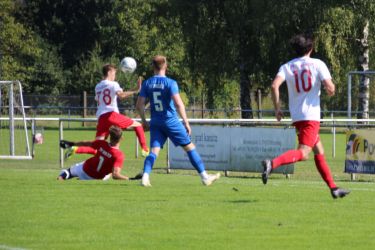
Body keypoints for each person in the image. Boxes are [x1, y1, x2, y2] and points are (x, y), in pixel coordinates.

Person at [262, 33, 350, 199]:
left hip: (298, 117)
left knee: (319, 150)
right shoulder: (317, 64)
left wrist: (277, 109)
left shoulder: (287, 66)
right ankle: (271, 164)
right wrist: (331, 88)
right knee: (303, 153)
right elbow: (330, 88)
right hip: (311, 116)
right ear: (311, 48)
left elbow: (274, 86)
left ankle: (333, 188)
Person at [135, 55, 220, 187]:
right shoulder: (170, 83)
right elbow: (179, 104)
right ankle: (205, 177)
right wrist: (186, 121)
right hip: (171, 121)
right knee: (189, 147)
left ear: (153, 67)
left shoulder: (147, 83)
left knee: (154, 151)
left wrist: (144, 121)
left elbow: (139, 105)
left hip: (156, 122)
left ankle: (145, 177)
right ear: (165, 66)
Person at [65, 63, 149, 159]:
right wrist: (135, 90)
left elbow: (98, 99)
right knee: (138, 125)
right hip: (112, 115)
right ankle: (145, 149)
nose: (115, 76)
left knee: (98, 147)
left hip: (101, 118)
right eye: (114, 73)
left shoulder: (98, 86)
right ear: (109, 72)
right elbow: (121, 95)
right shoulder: (114, 84)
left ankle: (76, 149)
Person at [58, 126, 129, 181]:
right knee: (110, 170)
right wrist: (129, 179)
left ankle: (60, 179)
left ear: (110, 137)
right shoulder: (119, 155)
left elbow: (85, 143)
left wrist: (72, 143)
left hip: (85, 169)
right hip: (99, 178)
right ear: (121, 138)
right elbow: (115, 175)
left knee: (68, 172)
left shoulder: (102, 143)